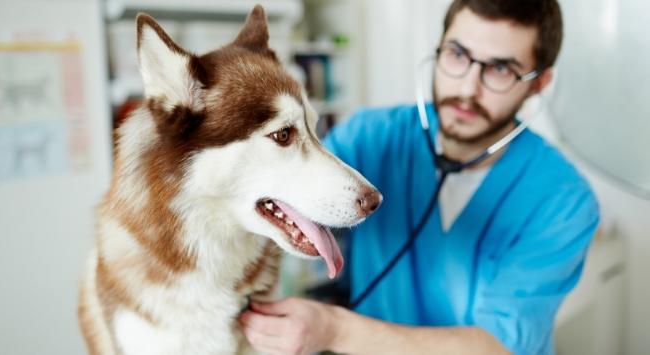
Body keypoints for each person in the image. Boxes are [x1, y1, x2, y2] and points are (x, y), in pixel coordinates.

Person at [239, 1, 600, 354]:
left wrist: (333, 330)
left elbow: (498, 345)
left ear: (539, 84)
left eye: (501, 69)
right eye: (457, 55)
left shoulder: (564, 200)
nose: (468, 88)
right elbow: (272, 193)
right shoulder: (369, 138)